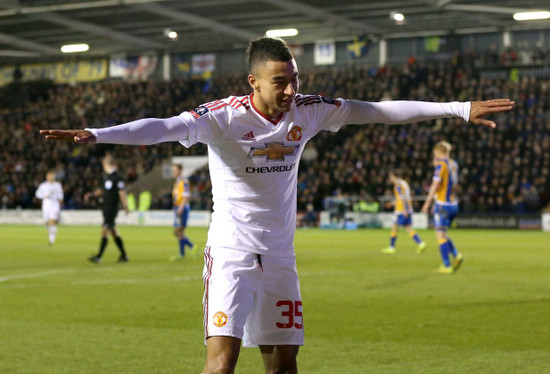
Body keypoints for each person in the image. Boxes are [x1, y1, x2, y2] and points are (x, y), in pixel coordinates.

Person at [41, 37, 514, 373]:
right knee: (221, 362)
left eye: (294, 80)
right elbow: (161, 127)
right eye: (280, 82)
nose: (290, 90)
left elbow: (379, 110)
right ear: (254, 81)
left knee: (284, 363)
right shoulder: (223, 118)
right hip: (230, 253)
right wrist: (98, 133)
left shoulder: (308, 110)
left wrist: (456, 108)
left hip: (281, 258)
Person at [421, 141, 462, 274]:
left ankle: (447, 265)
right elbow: (455, 185)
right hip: (454, 204)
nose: (435, 157)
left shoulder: (441, 165)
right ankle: (456, 254)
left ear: (439, 152)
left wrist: (427, 204)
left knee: (440, 235)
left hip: (442, 205)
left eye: (435, 154)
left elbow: (434, 186)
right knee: (443, 233)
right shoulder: (454, 164)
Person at [88, 155, 129, 264]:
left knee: (104, 231)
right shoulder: (107, 177)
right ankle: (124, 255)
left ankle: (98, 256)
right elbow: (103, 190)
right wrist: (92, 194)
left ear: (107, 164)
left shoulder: (117, 178)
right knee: (114, 232)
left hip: (112, 208)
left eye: (104, 164)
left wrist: (125, 206)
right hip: (105, 207)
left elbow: (122, 192)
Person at [382, 170, 426, 254]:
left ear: (394, 176)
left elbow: (402, 198)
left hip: (401, 210)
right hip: (406, 208)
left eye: (391, 177)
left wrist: (404, 210)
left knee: (395, 227)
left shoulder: (398, 185)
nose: (390, 179)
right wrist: (392, 204)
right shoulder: (404, 183)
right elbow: (402, 198)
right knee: (408, 228)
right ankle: (421, 243)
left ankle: (391, 248)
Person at [170, 163, 196, 261]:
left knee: (178, 231)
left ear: (180, 171)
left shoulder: (184, 181)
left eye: (175, 170)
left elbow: (186, 195)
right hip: (178, 207)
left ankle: (192, 247)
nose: (173, 172)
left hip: (182, 208)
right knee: (179, 232)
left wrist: (181, 207)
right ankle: (182, 253)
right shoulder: (177, 182)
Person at [35, 170, 64, 246]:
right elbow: (37, 194)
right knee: (47, 223)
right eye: (49, 176)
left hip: (54, 205)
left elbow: (61, 195)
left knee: (52, 222)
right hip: (46, 206)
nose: (50, 177)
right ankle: (52, 232)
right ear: (47, 177)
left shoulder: (57, 185)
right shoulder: (43, 185)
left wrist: (60, 200)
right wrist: (44, 196)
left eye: (52, 176)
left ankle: (51, 241)